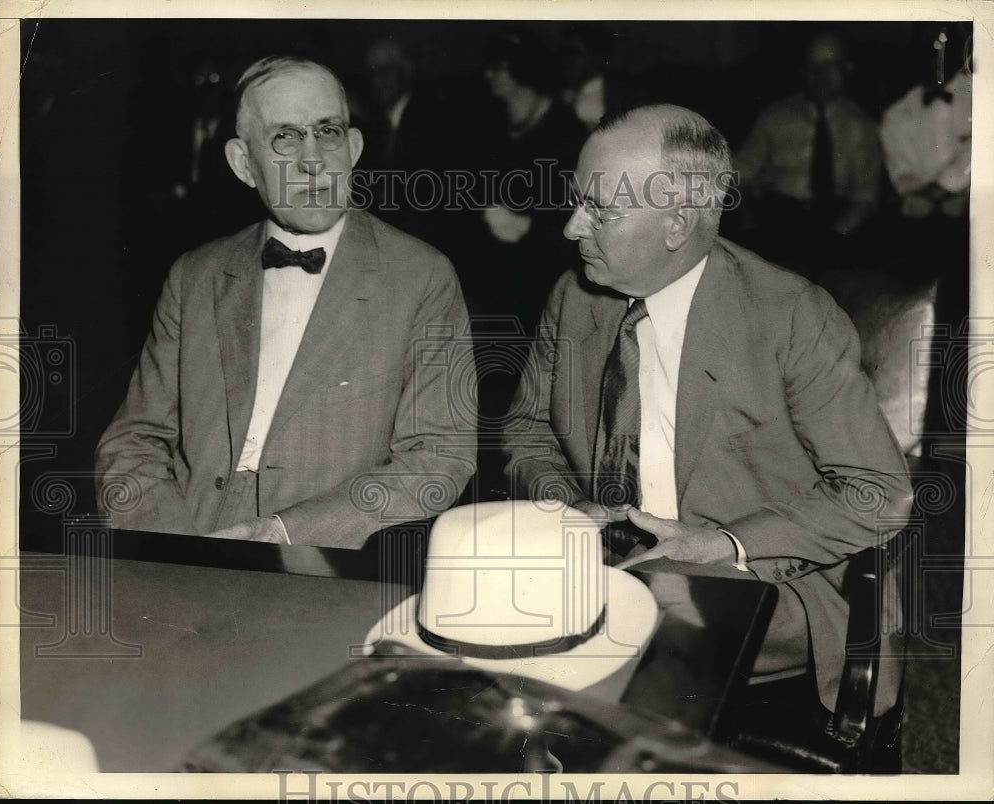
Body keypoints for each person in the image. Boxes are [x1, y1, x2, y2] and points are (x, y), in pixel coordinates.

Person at [502, 104, 913, 714]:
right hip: (607, 565)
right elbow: (525, 432)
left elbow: (880, 493)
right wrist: (568, 506)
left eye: (600, 211)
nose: (570, 227)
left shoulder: (791, 318)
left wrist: (721, 542)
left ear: (678, 223)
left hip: (765, 582)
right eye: (577, 200)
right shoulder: (575, 297)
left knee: (622, 644)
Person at [95, 56, 477, 547]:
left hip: (323, 556)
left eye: (328, 132)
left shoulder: (421, 276)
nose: (312, 160)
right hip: (186, 539)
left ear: (354, 148)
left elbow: (438, 459)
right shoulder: (196, 275)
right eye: (285, 137)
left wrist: (284, 532)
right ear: (243, 164)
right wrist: (177, 547)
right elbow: (132, 442)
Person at [733, 31, 882, 278]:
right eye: (813, 66)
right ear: (803, 72)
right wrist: (749, 224)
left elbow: (865, 197)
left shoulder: (863, 128)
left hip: (834, 220)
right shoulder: (776, 116)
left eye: (830, 66)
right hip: (778, 216)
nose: (821, 75)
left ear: (847, 69)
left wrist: (832, 240)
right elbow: (740, 173)